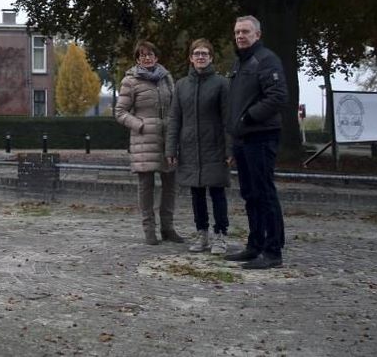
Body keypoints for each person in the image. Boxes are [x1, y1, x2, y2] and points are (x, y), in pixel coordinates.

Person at [223, 15, 289, 269]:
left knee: (264, 194)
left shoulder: (266, 60)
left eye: (246, 32)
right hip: (243, 139)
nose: (240, 36)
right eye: (237, 31)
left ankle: (273, 251)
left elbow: (277, 96)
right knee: (250, 194)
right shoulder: (240, 63)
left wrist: (249, 117)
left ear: (257, 35)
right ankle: (255, 245)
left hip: (261, 136)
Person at [166, 38, 231, 254]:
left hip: (214, 146)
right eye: (197, 53)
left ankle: (221, 234)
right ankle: (202, 233)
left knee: (217, 192)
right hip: (190, 147)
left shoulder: (222, 84)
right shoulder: (182, 85)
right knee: (196, 194)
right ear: (191, 58)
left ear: (211, 57)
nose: (201, 57)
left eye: (205, 53)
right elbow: (175, 118)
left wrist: (230, 148)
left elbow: (227, 119)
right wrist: (171, 148)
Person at [114, 40, 183, 245]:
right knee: (146, 186)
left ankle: (168, 228)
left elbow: (175, 107)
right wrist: (141, 125)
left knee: (170, 184)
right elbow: (120, 112)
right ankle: (149, 230)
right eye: (142, 55)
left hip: (167, 138)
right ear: (137, 59)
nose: (147, 57)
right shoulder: (130, 81)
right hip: (144, 139)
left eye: (150, 54)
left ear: (156, 57)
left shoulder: (166, 78)